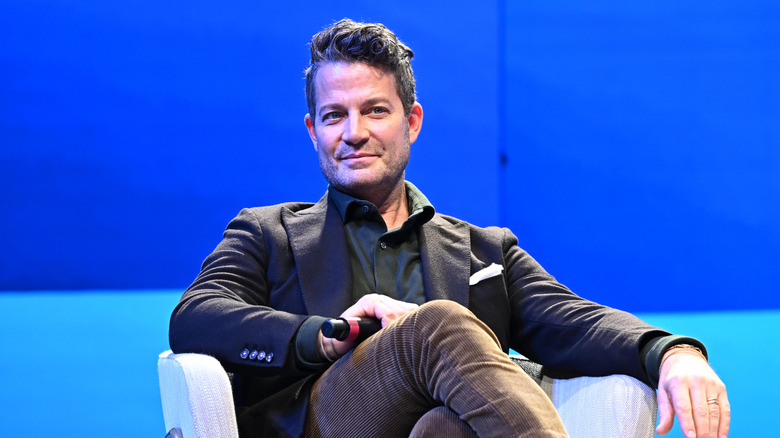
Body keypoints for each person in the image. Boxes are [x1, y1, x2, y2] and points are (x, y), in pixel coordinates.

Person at [169, 19, 730, 438]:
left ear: (411, 121)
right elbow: (195, 320)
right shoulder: (268, 233)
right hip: (325, 419)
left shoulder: (484, 251)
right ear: (313, 131)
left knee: (447, 426)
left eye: (375, 110)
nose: (353, 132)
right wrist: (325, 333)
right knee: (436, 325)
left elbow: (572, 321)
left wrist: (673, 352)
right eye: (335, 116)